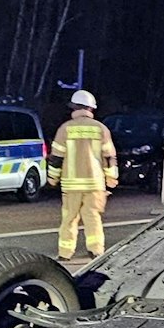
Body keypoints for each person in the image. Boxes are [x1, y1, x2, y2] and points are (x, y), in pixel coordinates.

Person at [47, 88, 118, 261]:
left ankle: (65, 253)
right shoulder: (101, 129)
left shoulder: (65, 129)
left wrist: (52, 177)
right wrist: (111, 178)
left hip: (71, 184)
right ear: (91, 109)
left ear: (74, 108)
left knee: (69, 219)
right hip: (95, 184)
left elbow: (56, 157)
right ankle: (96, 251)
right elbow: (109, 157)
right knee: (92, 217)